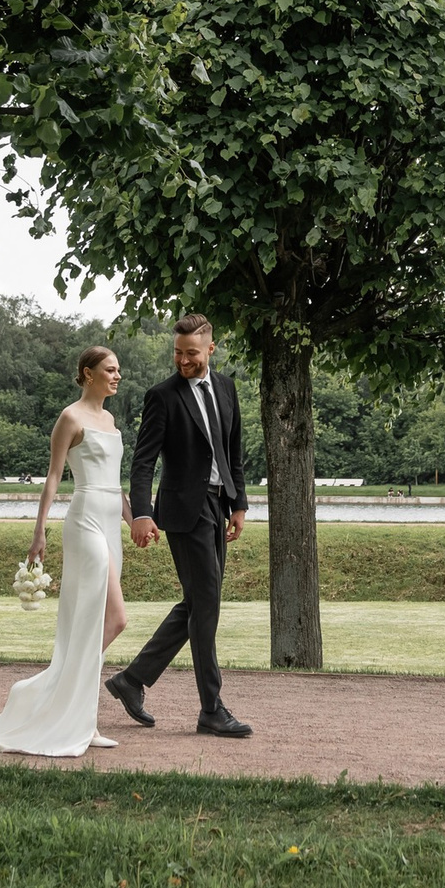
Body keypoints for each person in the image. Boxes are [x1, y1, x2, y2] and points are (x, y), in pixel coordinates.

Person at [0, 347, 133, 756]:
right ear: (88, 374)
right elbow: (53, 477)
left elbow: (115, 483)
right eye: (110, 370)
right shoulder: (70, 418)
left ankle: (81, 716)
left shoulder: (110, 421)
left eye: (118, 370)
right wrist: (39, 531)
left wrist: (135, 519)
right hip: (85, 522)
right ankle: (55, 690)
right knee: (116, 619)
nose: (117, 376)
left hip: (111, 522)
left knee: (102, 623)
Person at [104, 315, 254, 738]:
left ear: (211, 349)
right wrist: (142, 512)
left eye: (191, 353)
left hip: (218, 504)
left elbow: (233, 451)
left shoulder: (226, 388)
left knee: (199, 604)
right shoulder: (162, 396)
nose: (183, 360)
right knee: (206, 604)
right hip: (184, 510)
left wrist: (239, 503)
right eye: (177, 353)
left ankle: (132, 680)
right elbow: (143, 461)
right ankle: (212, 709)